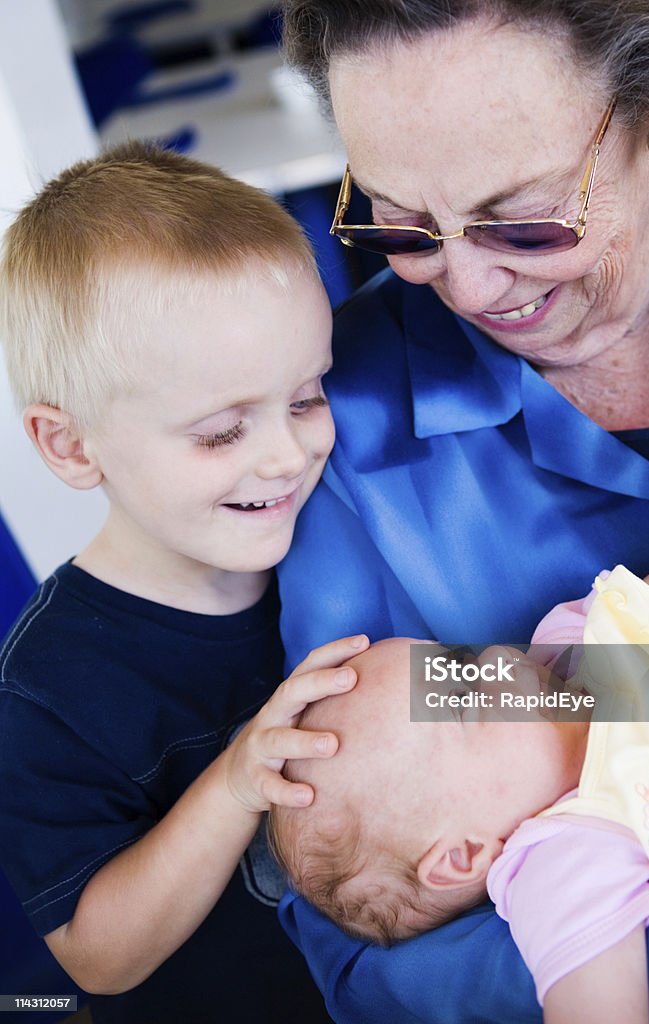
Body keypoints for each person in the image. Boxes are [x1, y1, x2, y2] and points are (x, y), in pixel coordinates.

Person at [275, 1, 649, 1021]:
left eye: (521, 217)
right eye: (397, 223)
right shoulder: (332, 428)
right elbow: (362, 928)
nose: (470, 286)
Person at [271, 385, 649, 1023]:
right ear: (465, 855)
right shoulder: (566, 853)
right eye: (469, 700)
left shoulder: (573, 654)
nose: (501, 662)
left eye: (457, 662)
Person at [0, 143, 368, 1024]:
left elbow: (475, 685)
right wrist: (236, 784)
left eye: (307, 396)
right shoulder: (49, 690)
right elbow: (99, 959)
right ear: (71, 445)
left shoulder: (342, 539)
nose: (287, 454)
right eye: (218, 433)